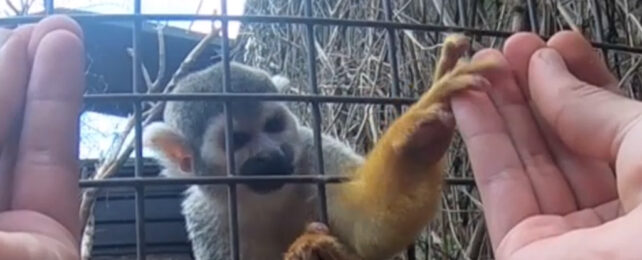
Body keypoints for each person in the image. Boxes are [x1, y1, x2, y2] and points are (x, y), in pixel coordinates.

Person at [0, 15, 639, 260]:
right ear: (185, 159)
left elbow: (374, 227)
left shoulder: (313, 156)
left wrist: (409, 149)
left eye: (275, 125)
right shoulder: (210, 223)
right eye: (240, 142)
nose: (271, 150)